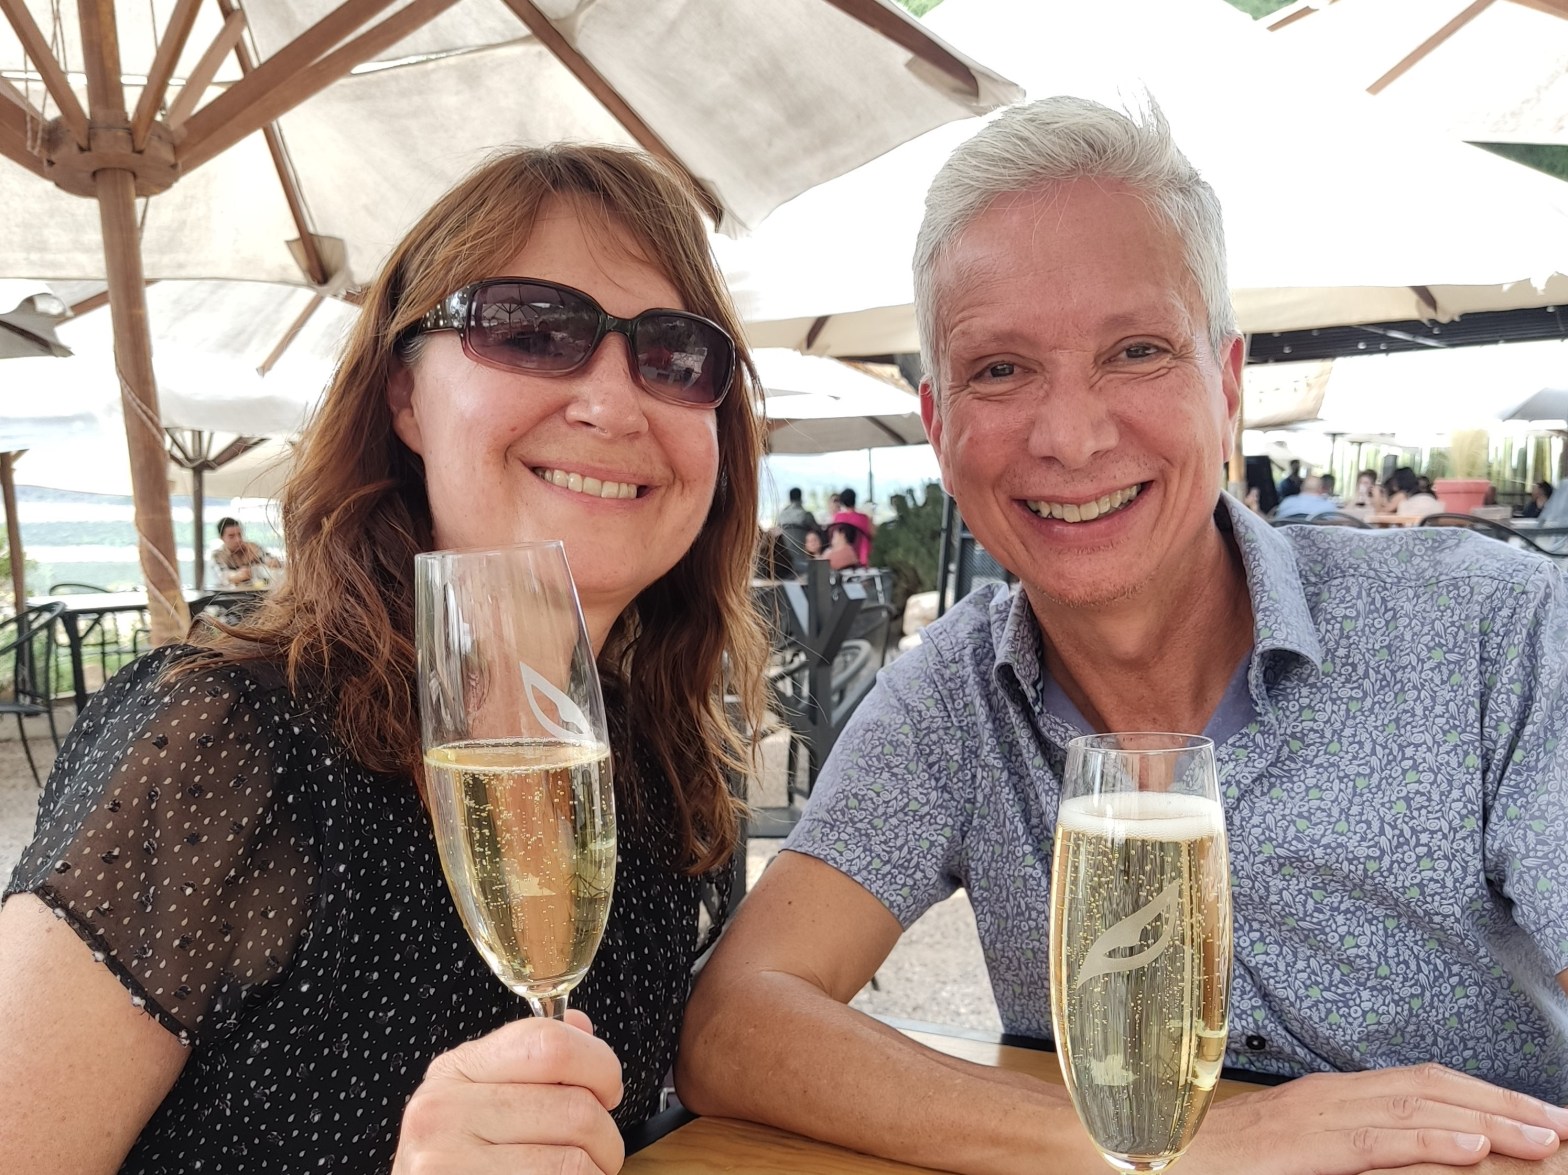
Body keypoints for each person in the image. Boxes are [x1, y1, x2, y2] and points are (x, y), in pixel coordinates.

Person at [677, 97, 1568, 1175]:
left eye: (1136, 350)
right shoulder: (951, 701)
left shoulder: (1484, 630)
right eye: (1000, 368)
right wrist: (1165, 1146)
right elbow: (733, 1022)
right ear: (939, 424)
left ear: (1225, 383)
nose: (1071, 434)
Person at [0, 144, 769, 1175]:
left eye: (675, 356)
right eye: (533, 330)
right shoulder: (221, 742)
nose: (613, 402)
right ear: (403, 398)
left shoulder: (663, 770)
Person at [207, 516, 282, 589]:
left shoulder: (252, 548)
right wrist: (237, 575)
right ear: (221, 538)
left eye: (239, 534)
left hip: (256, 593)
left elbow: (271, 561)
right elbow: (222, 575)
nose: (238, 539)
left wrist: (271, 562)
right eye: (231, 536)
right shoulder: (218, 555)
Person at [775, 487, 820, 574]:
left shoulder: (781, 516)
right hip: (803, 559)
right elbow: (818, 531)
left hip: (784, 561)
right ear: (801, 498)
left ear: (790, 498)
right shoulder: (806, 515)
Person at [829, 487, 875, 567]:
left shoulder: (837, 518)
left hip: (844, 559)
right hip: (862, 557)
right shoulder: (864, 518)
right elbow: (873, 534)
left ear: (842, 502)